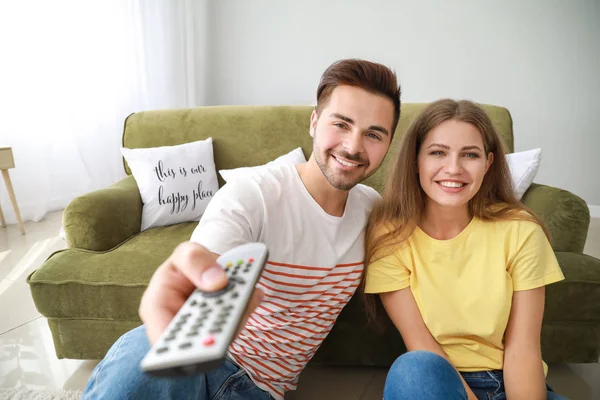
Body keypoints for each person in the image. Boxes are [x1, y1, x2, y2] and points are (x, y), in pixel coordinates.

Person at [81, 58, 402, 400]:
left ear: (389, 143)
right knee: (143, 349)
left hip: (258, 392)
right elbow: (205, 261)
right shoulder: (253, 194)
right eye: (341, 124)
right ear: (314, 122)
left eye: (373, 134)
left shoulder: (373, 211)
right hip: (191, 365)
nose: (353, 146)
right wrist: (195, 282)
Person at [363, 99, 567, 400]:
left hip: (512, 383)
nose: (453, 168)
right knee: (413, 367)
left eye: (469, 155)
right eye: (437, 153)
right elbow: (420, 342)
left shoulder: (521, 230)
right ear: (416, 161)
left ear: (488, 163)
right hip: (437, 381)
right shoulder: (390, 234)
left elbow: (522, 350)